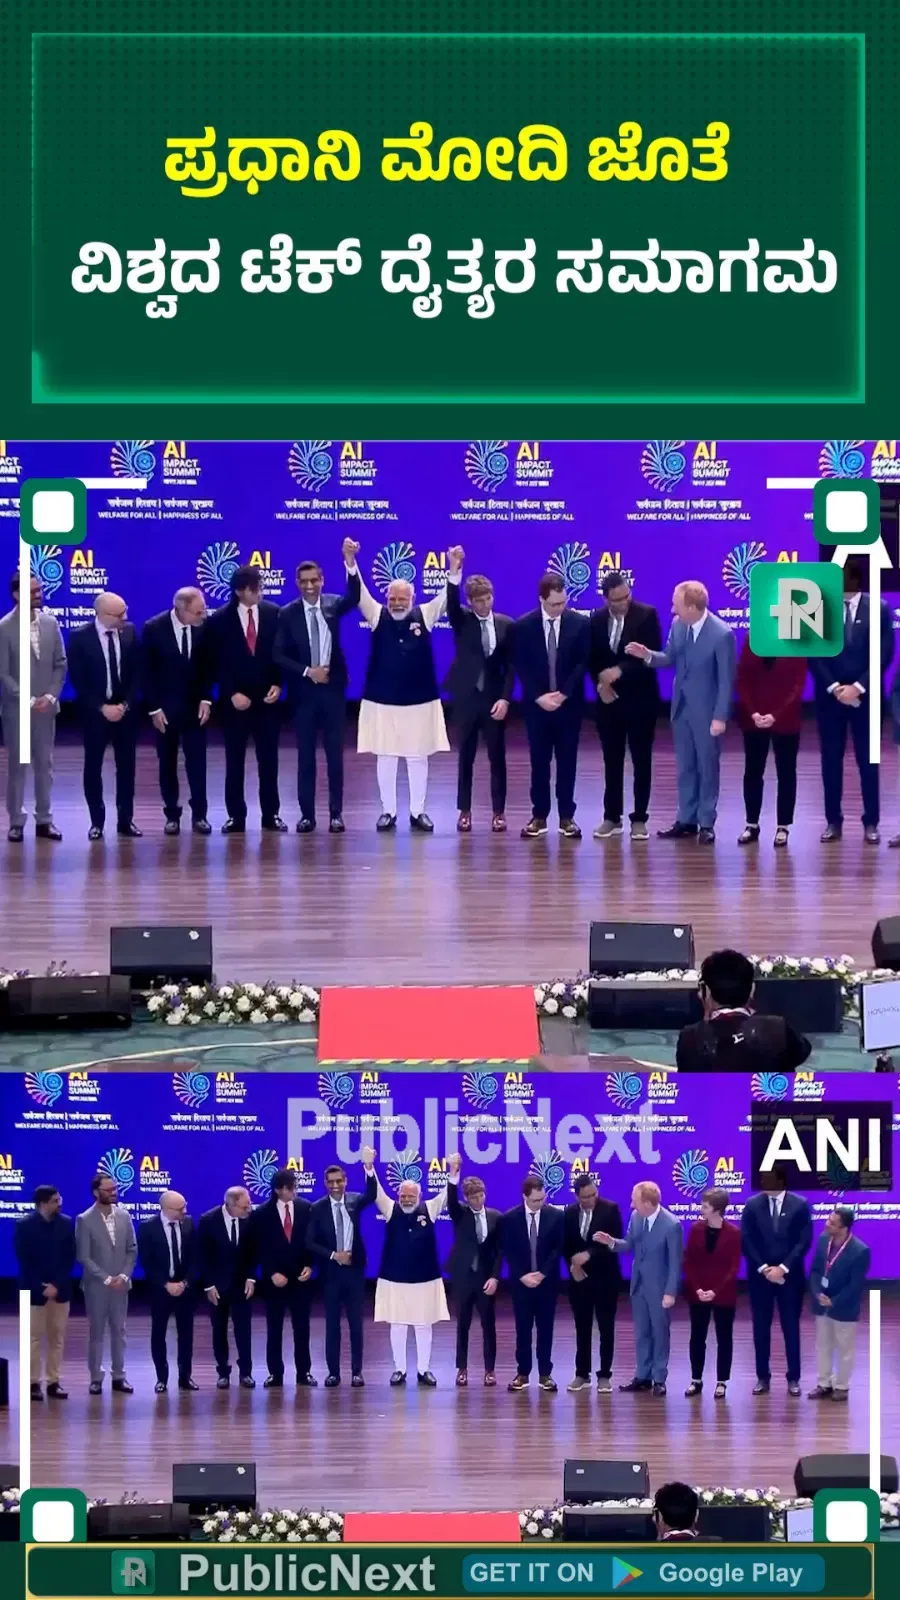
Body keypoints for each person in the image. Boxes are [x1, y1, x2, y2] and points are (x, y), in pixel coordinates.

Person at [344, 540, 452, 832]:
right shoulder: (376, 614)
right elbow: (359, 593)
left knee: (418, 757)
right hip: (383, 700)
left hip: (420, 700)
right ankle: (388, 811)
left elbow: (446, 598)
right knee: (387, 756)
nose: (397, 603)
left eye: (403, 598)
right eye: (393, 598)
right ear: (387, 598)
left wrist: (455, 570)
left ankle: (418, 811)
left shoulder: (425, 614)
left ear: (413, 598)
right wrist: (351, 562)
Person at [626, 580, 736, 843]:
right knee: (685, 766)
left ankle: (706, 822)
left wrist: (720, 716)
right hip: (681, 709)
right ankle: (686, 819)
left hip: (707, 713)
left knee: (707, 767)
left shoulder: (722, 634)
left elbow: (726, 680)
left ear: (692, 607)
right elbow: (669, 658)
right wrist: (647, 655)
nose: (672, 610)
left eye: (676, 604)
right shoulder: (678, 626)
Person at [272, 544, 361, 833]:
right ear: (297, 584)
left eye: (314, 580)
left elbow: (355, 596)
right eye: (304, 582)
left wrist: (350, 561)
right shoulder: (287, 613)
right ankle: (307, 815)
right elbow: (278, 655)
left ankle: (336, 814)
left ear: (322, 580)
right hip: (303, 695)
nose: (309, 586)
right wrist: (309, 672)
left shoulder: (334, 604)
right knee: (305, 757)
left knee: (335, 756)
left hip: (333, 692)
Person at [811, 557, 893, 844]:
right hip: (830, 699)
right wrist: (835, 688)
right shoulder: (820, 608)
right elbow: (814, 654)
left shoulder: (880, 608)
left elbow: (884, 653)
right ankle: (833, 821)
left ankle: (871, 822)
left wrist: (858, 687)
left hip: (866, 699)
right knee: (830, 761)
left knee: (868, 762)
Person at [202, 566, 285, 834]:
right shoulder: (218, 620)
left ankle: (271, 815)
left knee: (269, 761)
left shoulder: (274, 614)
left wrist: (278, 684)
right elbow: (214, 662)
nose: (260, 592)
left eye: (261, 587)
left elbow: (282, 654)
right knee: (234, 762)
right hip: (234, 705)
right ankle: (236, 817)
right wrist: (230, 692)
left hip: (267, 704)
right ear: (239, 591)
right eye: (255, 588)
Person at [511, 573, 590, 839]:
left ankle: (567, 817)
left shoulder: (580, 623)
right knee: (539, 761)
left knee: (567, 761)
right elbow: (521, 665)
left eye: (563, 602)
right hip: (537, 708)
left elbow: (582, 662)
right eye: (555, 604)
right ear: (541, 600)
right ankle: (539, 816)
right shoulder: (524, 626)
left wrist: (564, 694)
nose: (560, 608)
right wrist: (538, 696)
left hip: (569, 706)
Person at [363, 1144, 451, 1384]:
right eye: (403, 1195)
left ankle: (423, 1370)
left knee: (423, 1326)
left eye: (411, 1196)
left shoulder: (430, 1209)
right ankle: (399, 1369)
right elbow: (376, 1191)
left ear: (419, 1196)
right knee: (398, 1325)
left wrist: (454, 1173)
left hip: (425, 1278)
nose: (406, 1199)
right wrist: (369, 1167)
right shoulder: (390, 1208)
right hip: (395, 1278)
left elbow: (447, 1195)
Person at [588, 570, 662, 841]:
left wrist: (619, 671)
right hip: (609, 704)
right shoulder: (596, 620)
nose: (623, 603)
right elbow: (592, 659)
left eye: (626, 596)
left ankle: (639, 818)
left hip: (641, 701)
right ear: (606, 599)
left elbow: (650, 658)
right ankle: (612, 817)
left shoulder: (646, 615)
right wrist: (601, 685)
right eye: (617, 599)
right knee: (612, 760)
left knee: (641, 760)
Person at [595, 1179, 683, 1396]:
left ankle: (659, 1378)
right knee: (642, 1332)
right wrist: (611, 1242)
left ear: (648, 1203)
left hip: (660, 1289)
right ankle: (643, 1375)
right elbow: (629, 1245)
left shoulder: (672, 1225)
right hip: (639, 1286)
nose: (631, 1205)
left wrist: (670, 1292)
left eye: (635, 1200)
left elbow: (675, 1262)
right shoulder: (636, 1217)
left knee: (659, 1333)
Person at [444, 561, 514, 833]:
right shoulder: (461, 620)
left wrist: (505, 698)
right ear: (470, 602)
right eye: (479, 601)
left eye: (488, 599)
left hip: (494, 700)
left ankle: (499, 812)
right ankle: (464, 811)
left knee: (497, 757)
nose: (485, 605)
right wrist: (454, 570)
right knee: (466, 756)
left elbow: (510, 667)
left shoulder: (507, 625)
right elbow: (451, 602)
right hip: (466, 698)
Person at [67, 592, 141, 839]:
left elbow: (136, 674)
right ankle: (96, 822)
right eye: (119, 614)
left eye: (125, 611)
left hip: (125, 713)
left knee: (127, 768)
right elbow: (79, 680)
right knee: (93, 768)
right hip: (95, 715)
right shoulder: (80, 637)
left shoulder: (130, 633)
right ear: (101, 614)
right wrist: (102, 707)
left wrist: (125, 705)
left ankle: (125, 821)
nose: (125, 618)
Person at [0, 573, 67, 843]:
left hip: (46, 710)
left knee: (44, 766)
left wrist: (50, 696)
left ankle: (44, 820)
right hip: (18, 711)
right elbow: (3, 673)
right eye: (33, 591)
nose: (39, 595)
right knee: (18, 767)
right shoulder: (4, 628)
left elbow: (60, 664)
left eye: (39, 590)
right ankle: (16, 821)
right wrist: (28, 700)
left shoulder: (51, 623)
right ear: (17, 595)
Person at [141, 587, 212, 835]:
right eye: (198, 612)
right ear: (181, 610)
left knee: (198, 763)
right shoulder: (154, 628)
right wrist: (154, 708)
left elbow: (209, 666)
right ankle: (172, 814)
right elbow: (147, 672)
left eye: (203, 610)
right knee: (167, 763)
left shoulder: (205, 627)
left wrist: (206, 699)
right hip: (165, 710)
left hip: (196, 709)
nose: (203, 616)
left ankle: (200, 815)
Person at [676, 949, 812, 1073]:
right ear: (752, 989)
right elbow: (802, 1052)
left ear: (706, 991)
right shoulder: (778, 1029)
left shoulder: (690, 1038)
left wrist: (706, 1022)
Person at [740, 1165, 812, 1396]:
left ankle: (794, 1378)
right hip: (760, 1278)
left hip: (790, 1278)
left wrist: (782, 1268)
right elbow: (747, 1240)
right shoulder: (752, 1205)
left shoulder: (799, 1205)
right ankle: (763, 1377)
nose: (763, 1182)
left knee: (791, 1327)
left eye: (767, 1178)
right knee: (760, 1328)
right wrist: (764, 1269)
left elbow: (804, 1241)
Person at [305, 1162, 377, 1386]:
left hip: (355, 1272)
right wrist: (334, 1256)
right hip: (331, 1275)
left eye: (339, 1181)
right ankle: (333, 1373)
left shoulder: (355, 1200)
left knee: (356, 1324)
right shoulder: (316, 1208)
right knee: (332, 1325)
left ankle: (357, 1372)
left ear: (345, 1181)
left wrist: (369, 1168)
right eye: (331, 1182)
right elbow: (309, 1241)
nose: (335, 1185)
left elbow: (372, 1193)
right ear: (325, 1184)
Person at [735, 637, 806, 848]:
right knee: (753, 772)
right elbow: (742, 679)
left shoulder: (796, 641)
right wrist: (753, 713)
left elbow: (798, 684)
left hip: (786, 719)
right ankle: (751, 824)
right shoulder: (751, 639)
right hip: (753, 719)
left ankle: (783, 826)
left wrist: (776, 715)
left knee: (786, 773)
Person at [249, 1168, 316, 1388]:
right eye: (291, 1188)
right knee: (274, 1329)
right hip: (274, 1282)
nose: (295, 1191)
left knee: (302, 1328)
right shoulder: (261, 1213)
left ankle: (304, 1372)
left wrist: (309, 1265)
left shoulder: (306, 1208)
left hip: (301, 1281)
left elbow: (312, 1241)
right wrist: (271, 1272)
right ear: (279, 1190)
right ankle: (275, 1374)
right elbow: (257, 1248)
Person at [500, 1175, 565, 1392]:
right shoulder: (510, 1218)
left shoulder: (556, 1216)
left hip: (547, 1284)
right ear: (524, 1197)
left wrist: (542, 1274)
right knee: (523, 1329)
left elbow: (558, 1248)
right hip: (521, 1285)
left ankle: (545, 1374)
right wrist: (522, 1275)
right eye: (536, 1200)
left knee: (546, 1329)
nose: (540, 1203)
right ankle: (523, 1373)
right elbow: (507, 1250)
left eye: (542, 1199)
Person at [75, 1173, 138, 1394]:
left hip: (121, 1285)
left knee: (119, 1331)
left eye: (115, 1189)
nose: (114, 1193)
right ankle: (96, 1377)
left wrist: (124, 1276)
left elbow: (132, 1249)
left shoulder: (124, 1216)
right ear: (96, 1192)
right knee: (97, 1333)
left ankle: (119, 1376)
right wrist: (106, 1278)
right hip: (96, 1287)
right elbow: (84, 1256)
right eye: (109, 1190)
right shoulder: (84, 1219)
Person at [14, 1184, 76, 1402]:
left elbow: (69, 1257)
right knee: (32, 1339)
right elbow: (24, 1260)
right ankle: (33, 1383)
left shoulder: (66, 1224)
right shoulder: (24, 1226)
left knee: (57, 1338)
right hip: (32, 1290)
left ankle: (53, 1382)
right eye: (55, 1201)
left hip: (60, 1290)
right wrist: (43, 1286)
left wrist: (56, 1285)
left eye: (59, 1200)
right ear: (43, 1203)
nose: (59, 1204)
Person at [563, 1173, 623, 1393]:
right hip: (579, 1281)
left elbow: (614, 1244)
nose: (591, 1199)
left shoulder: (610, 1209)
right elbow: (565, 1245)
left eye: (593, 1194)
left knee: (606, 1328)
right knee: (582, 1328)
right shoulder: (569, 1213)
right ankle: (582, 1374)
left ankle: (605, 1374)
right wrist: (573, 1266)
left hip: (606, 1279)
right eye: (585, 1197)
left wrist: (589, 1254)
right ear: (577, 1196)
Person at [683, 1187, 742, 1398]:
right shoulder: (695, 1229)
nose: (701, 1209)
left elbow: (734, 1267)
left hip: (723, 1295)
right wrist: (698, 1288)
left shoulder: (733, 1233)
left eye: (705, 1206)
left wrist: (715, 1291)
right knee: (697, 1336)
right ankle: (696, 1379)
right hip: (697, 1293)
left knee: (724, 1338)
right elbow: (688, 1261)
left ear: (717, 1209)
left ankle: (721, 1381)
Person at [136, 1190, 198, 1393]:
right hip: (160, 1291)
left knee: (186, 1334)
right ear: (166, 1209)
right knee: (159, 1333)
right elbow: (146, 1262)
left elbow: (194, 1258)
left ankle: (185, 1377)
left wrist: (185, 1282)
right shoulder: (147, 1227)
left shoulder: (188, 1224)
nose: (184, 1211)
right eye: (180, 1209)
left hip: (185, 1290)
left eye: (185, 1206)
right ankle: (161, 1378)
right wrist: (165, 1284)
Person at [808, 1206, 870, 1403]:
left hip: (844, 1308)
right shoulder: (823, 1240)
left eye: (832, 1223)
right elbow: (816, 1270)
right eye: (828, 1220)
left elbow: (855, 1285)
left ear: (844, 1228)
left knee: (844, 1349)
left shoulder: (860, 1251)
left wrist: (833, 1301)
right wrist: (817, 1293)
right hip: (821, 1303)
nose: (827, 1224)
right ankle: (824, 1383)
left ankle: (842, 1386)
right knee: (823, 1346)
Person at [197, 1185, 257, 1388]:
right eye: (244, 1206)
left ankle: (246, 1372)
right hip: (217, 1286)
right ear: (230, 1205)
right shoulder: (208, 1220)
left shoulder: (250, 1219)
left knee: (244, 1330)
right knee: (219, 1330)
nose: (248, 1209)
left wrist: (251, 1278)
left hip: (242, 1285)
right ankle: (223, 1372)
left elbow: (253, 1251)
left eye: (249, 1205)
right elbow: (203, 1256)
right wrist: (208, 1285)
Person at [446, 1167, 501, 1386]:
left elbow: (499, 1252)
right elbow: (451, 1200)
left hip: (485, 1279)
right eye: (474, 1197)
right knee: (463, 1324)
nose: (478, 1200)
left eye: (481, 1195)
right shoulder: (459, 1213)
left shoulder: (496, 1217)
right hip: (463, 1278)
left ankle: (490, 1370)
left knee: (489, 1325)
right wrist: (453, 1174)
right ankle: (462, 1369)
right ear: (466, 1198)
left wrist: (495, 1277)